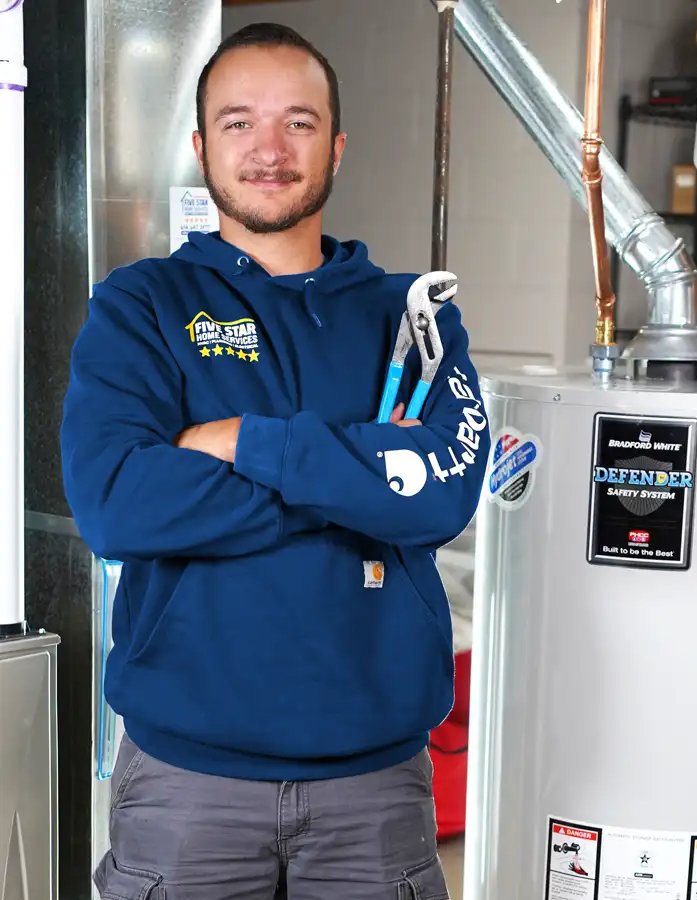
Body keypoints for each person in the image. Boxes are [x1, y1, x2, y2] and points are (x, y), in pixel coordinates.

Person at [60, 21, 490, 900]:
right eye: (237, 122)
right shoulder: (141, 305)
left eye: (297, 122)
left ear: (335, 145)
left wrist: (252, 444)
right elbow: (115, 505)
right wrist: (359, 477)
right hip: (189, 787)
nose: (268, 148)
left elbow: (444, 494)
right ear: (199, 145)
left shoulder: (414, 319)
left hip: (373, 788)